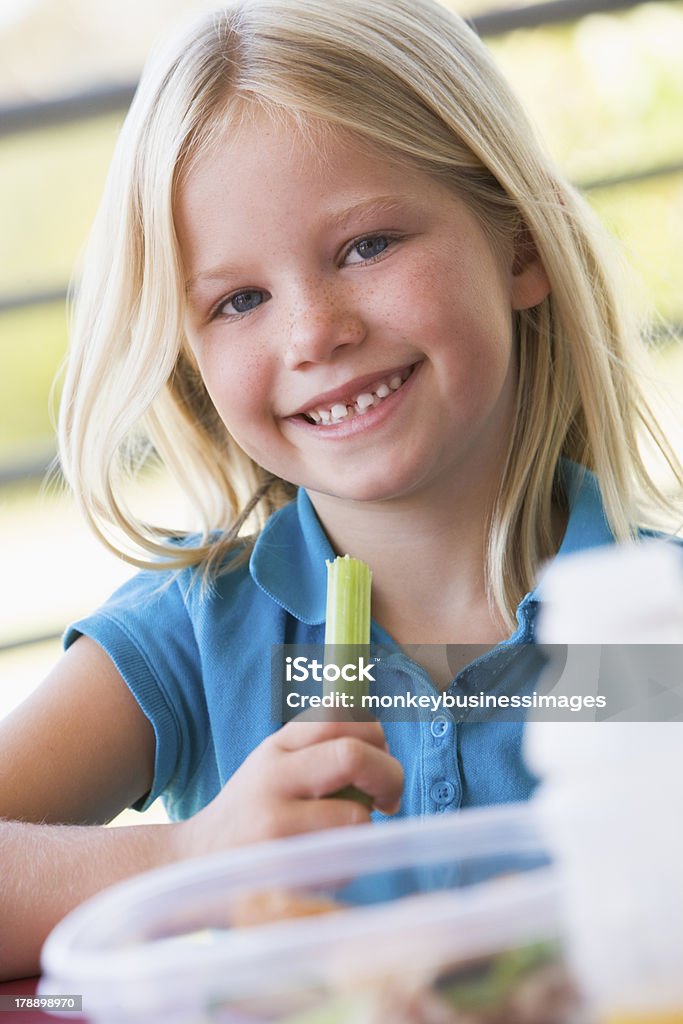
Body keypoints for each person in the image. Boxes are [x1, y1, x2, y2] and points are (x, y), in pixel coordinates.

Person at [0, 0, 680, 980]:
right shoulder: (200, 640)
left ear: (519, 247)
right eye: (239, 300)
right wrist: (190, 860)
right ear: (190, 361)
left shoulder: (648, 626)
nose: (312, 333)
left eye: (366, 246)